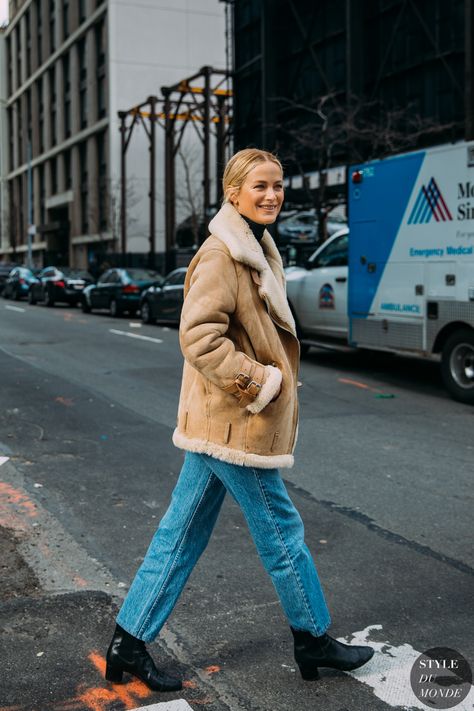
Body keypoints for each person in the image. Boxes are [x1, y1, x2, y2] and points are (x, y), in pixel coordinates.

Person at [105, 149, 374, 691]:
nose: (273, 195)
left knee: (180, 534)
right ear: (234, 193)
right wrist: (262, 383)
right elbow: (199, 338)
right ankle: (313, 639)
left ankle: (127, 645)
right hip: (234, 421)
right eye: (260, 186)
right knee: (282, 531)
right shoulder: (222, 254)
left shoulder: (256, 246)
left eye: (278, 186)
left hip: (218, 425)